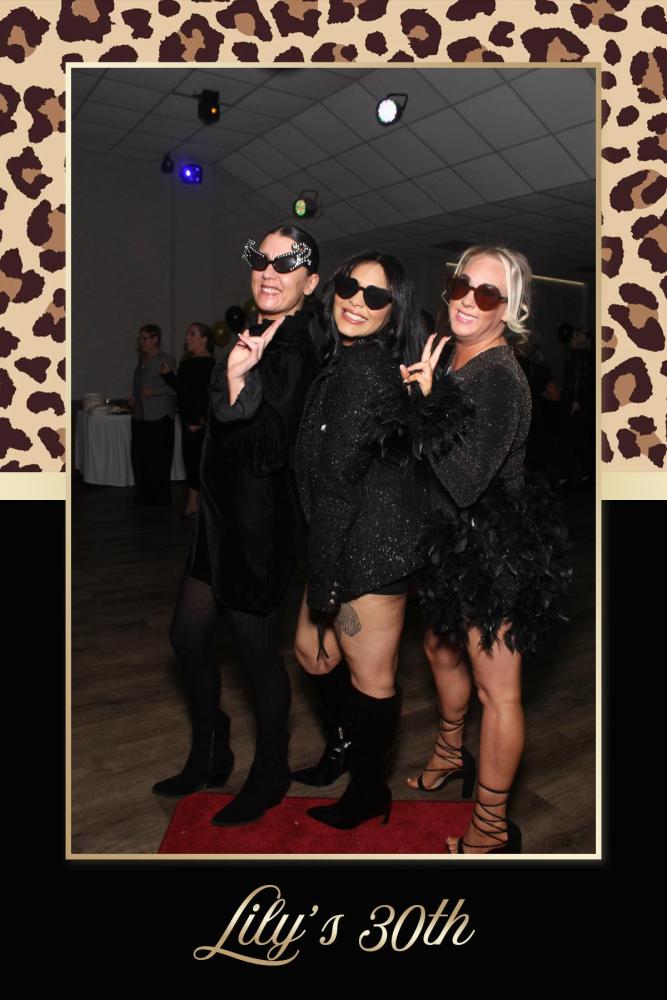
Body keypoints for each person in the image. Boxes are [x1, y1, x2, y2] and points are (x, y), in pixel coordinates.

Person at [401, 246, 570, 854]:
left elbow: (467, 480)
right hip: (451, 541)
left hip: (493, 549)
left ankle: (492, 826)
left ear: (510, 308)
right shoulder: (453, 352)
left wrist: (425, 406)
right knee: (438, 648)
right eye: (461, 284)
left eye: (488, 293)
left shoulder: (500, 376)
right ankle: (452, 752)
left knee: (497, 690)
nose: (468, 300)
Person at [152, 225, 320, 827]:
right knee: (186, 636)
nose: (269, 272)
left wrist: (236, 381)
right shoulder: (254, 329)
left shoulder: (297, 348)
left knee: (256, 656)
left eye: (286, 264)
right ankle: (212, 746)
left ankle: (271, 770)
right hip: (218, 519)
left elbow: (270, 449)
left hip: (257, 528)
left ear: (309, 282)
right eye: (261, 260)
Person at [293, 250, 425, 829]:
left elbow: (339, 483)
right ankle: (345, 746)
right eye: (350, 286)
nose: (356, 301)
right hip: (339, 539)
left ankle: (370, 791)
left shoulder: (365, 370)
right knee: (311, 653)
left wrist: (323, 577)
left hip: (371, 550)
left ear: (393, 312)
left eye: (375, 296)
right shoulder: (345, 358)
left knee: (371, 679)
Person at [159, 323, 216, 518]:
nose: (187, 338)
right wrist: (168, 376)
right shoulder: (187, 363)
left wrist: (198, 420)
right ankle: (193, 504)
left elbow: (207, 396)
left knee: (199, 463)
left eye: (193, 334)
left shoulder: (209, 364)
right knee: (191, 462)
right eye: (187, 334)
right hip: (187, 421)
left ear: (204, 339)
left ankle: (198, 505)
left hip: (198, 423)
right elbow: (183, 390)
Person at [129, 324, 177, 506]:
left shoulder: (165, 359)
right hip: (141, 415)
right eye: (140, 338)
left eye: (145, 338)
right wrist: (134, 396)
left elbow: (175, 387)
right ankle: (144, 494)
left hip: (159, 416)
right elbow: (140, 384)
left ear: (155, 339)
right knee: (140, 457)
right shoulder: (142, 359)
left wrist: (154, 391)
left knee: (158, 458)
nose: (141, 342)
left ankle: (160, 496)